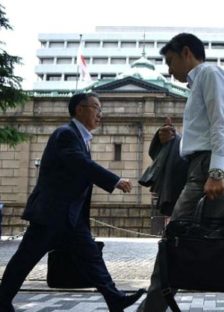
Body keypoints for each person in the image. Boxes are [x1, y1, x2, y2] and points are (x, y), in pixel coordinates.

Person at [137, 33, 224, 312]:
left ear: (186, 53)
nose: (169, 69)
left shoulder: (209, 74)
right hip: (205, 167)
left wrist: (216, 172)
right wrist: (173, 140)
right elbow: (210, 128)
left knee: (173, 239)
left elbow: (221, 124)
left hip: (208, 170)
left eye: (171, 60)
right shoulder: (201, 81)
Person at [0, 92, 145, 312]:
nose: (100, 114)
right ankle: (2, 300)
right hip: (51, 214)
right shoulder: (65, 134)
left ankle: (115, 298)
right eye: (96, 108)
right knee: (25, 260)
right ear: (80, 109)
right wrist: (114, 180)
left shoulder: (81, 139)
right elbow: (80, 164)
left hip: (70, 217)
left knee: (92, 258)